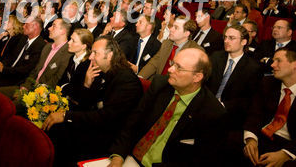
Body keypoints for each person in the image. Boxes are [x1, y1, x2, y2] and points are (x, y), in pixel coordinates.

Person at [108, 48, 227, 167]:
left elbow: (201, 160)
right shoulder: (160, 84)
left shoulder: (213, 112)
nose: (170, 70)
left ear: (197, 77)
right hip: (131, 158)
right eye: (172, 63)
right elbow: (133, 121)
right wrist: (118, 156)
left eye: (178, 67)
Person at [43, 36, 143, 166]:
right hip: (96, 126)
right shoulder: (101, 72)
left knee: (60, 132)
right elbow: (85, 107)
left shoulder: (126, 81)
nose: (90, 57)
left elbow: (106, 117)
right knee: (56, 128)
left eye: (95, 53)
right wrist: (86, 85)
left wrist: (65, 115)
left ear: (110, 55)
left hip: (109, 137)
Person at [0, 15, 45, 88]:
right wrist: (0, 64)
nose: (23, 26)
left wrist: (3, 69)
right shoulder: (23, 38)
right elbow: (12, 56)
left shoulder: (40, 45)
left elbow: (27, 69)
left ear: (35, 26)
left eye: (26, 24)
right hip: (7, 70)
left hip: (17, 78)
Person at [139, 16, 198, 80]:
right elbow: (154, 63)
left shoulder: (194, 51)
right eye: (172, 26)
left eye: (176, 28)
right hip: (158, 82)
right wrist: (140, 77)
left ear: (186, 33)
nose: (171, 29)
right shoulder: (166, 43)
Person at [57, 28, 95, 110]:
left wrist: (65, 87)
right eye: (70, 39)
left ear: (83, 46)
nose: (69, 42)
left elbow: (77, 92)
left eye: (73, 41)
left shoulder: (88, 64)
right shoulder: (72, 58)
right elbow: (62, 80)